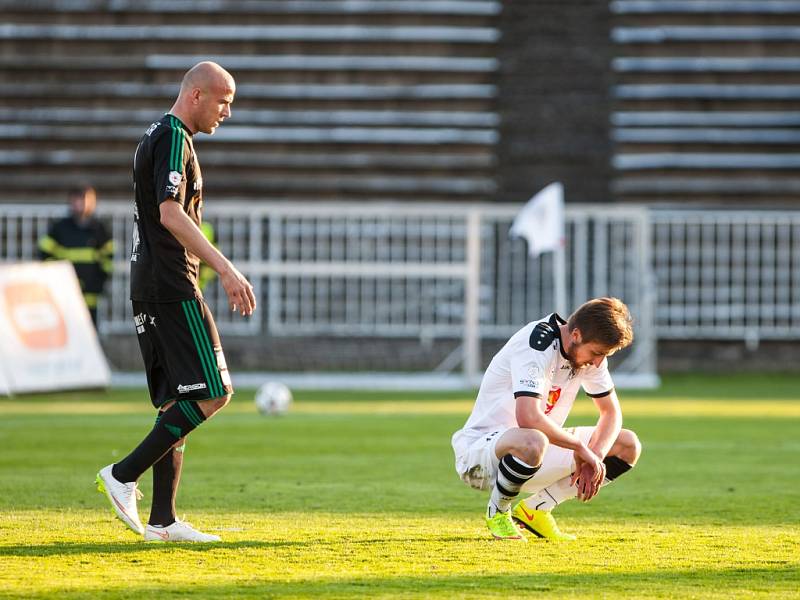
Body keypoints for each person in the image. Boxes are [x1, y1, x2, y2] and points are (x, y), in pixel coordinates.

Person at [95, 61, 256, 543]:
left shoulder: (156, 135)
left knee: (177, 402)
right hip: (170, 284)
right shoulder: (172, 137)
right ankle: (124, 474)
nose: (227, 111)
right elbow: (170, 213)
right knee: (214, 391)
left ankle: (163, 521)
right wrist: (226, 269)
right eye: (223, 100)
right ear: (196, 96)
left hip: (149, 282)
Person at [451, 297, 641, 541]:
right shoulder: (536, 344)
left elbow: (611, 413)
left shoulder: (591, 356)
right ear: (576, 334)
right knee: (533, 440)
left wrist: (595, 453)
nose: (597, 362)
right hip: (481, 455)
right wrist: (580, 447)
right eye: (596, 353)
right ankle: (498, 512)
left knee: (627, 444)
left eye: (604, 355)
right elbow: (528, 416)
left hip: (535, 454)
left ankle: (537, 509)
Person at [38, 185, 114, 326]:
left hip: (90, 293)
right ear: (71, 202)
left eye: (86, 199)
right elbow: (45, 253)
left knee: (90, 332)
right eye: (77, 199)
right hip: (64, 292)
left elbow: (108, 258)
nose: (81, 203)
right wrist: (56, 278)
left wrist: (100, 281)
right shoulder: (60, 227)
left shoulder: (99, 228)